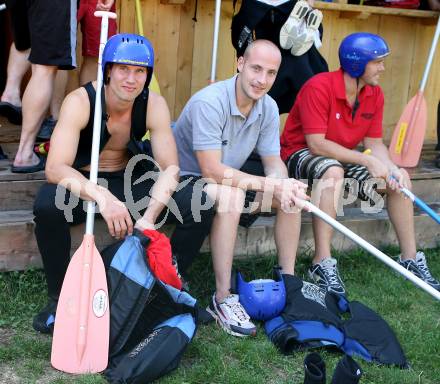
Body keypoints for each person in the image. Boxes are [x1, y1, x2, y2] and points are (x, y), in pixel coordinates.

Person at [32, 33, 214, 334]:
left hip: (128, 179)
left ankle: (169, 283)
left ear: (148, 75)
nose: (131, 79)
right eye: (123, 69)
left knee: (200, 202)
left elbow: (171, 168)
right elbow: (55, 168)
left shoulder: (153, 104)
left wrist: (149, 218)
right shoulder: (80, 101)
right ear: (108, 70)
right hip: (84, 181)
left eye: (139, 71)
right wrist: (103, 197)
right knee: (47, 206)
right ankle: (59, 298)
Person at [280, 32, 440, 295]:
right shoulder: (319, 86)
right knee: (332, 171)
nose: (382, 68)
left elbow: (375, 142)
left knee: (398, 181)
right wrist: (365, 159)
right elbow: (317, 144)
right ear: (356, 63)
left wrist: (391, 168)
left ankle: (409, 258)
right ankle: (321, 261)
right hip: (299, 153)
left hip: (342, 156)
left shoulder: (374, 94)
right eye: (377, 62)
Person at [173, 39, 308, 337]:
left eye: (271, 73)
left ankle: (289, 282)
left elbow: (272, 160)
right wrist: (266, 184)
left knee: (290, 196)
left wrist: (281, 184)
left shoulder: (269, 107)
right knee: (233, 196)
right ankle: (222, 297)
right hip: (183, 181)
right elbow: (210, 169)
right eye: (256, 68)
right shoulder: (210, 102)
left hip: (226, 175)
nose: (262, 80)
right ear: (240, 63)